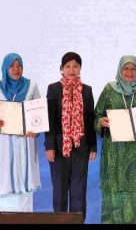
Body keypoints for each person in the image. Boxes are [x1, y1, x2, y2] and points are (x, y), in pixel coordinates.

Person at [94, 55, 136, 224]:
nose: (130, 72)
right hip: (116, 154)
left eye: (133, 68)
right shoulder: (109, 89)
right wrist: (101, 122)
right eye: (126, 69)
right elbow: (97, 115)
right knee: (117, 194)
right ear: (120, 70)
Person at [44, 52, 97, 219]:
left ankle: (77, 221)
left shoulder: (87, 90)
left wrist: (93, 146)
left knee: (79, 190)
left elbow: (90, 119)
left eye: (75, 66)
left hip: (81, 146)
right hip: (59, 147)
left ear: (80, 68)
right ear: (61, 68)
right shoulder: (53, 88)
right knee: (59, 190)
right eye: (67, 66)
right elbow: (49, 119)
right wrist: (49, 146)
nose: (71, 70)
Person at [0, 53, 41, 212]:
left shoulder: (31, 86)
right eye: (12, 65)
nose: (16, 69)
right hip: (4, 144)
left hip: (26, 142)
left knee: (25, 181)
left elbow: (39, 116)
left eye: (19, 65)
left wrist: (35, 130)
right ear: (5, 68)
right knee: (5, 180)